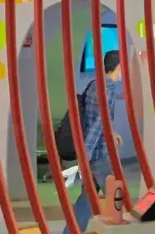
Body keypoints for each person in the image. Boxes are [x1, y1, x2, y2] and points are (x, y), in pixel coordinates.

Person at [65, 50, 124, 234]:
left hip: (93, 151)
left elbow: (96, 118)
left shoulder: (95, 84)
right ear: (119, 66)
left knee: (87, 198)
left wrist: (111, 132)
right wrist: (86, 154)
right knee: (116, 197)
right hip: (98, 154)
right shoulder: (108, 88)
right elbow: (98, 123)